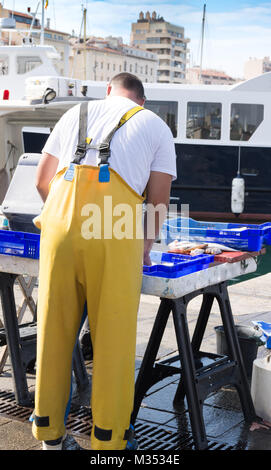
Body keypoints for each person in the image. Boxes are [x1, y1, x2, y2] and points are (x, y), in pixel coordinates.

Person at [31, 72, 177, 450]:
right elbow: (158, 200)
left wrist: (67, 219)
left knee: (54, 328)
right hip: (114, 232)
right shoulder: (155, 125)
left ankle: (49, 435)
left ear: (109, 90)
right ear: (140, 101)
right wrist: (144, 244)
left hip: (59, 228)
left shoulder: (75, 113)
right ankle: (108, 444)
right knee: (112, 338)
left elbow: (42, 181)